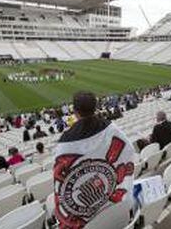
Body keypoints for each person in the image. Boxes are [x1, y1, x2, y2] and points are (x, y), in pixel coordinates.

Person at [54, 91, 135, 228]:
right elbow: (129, 150)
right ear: (95, 107)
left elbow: (60, 183)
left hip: (90, 206)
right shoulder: (111, 128)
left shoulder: (65, 143)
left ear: (75, 111)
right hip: (109, 202)